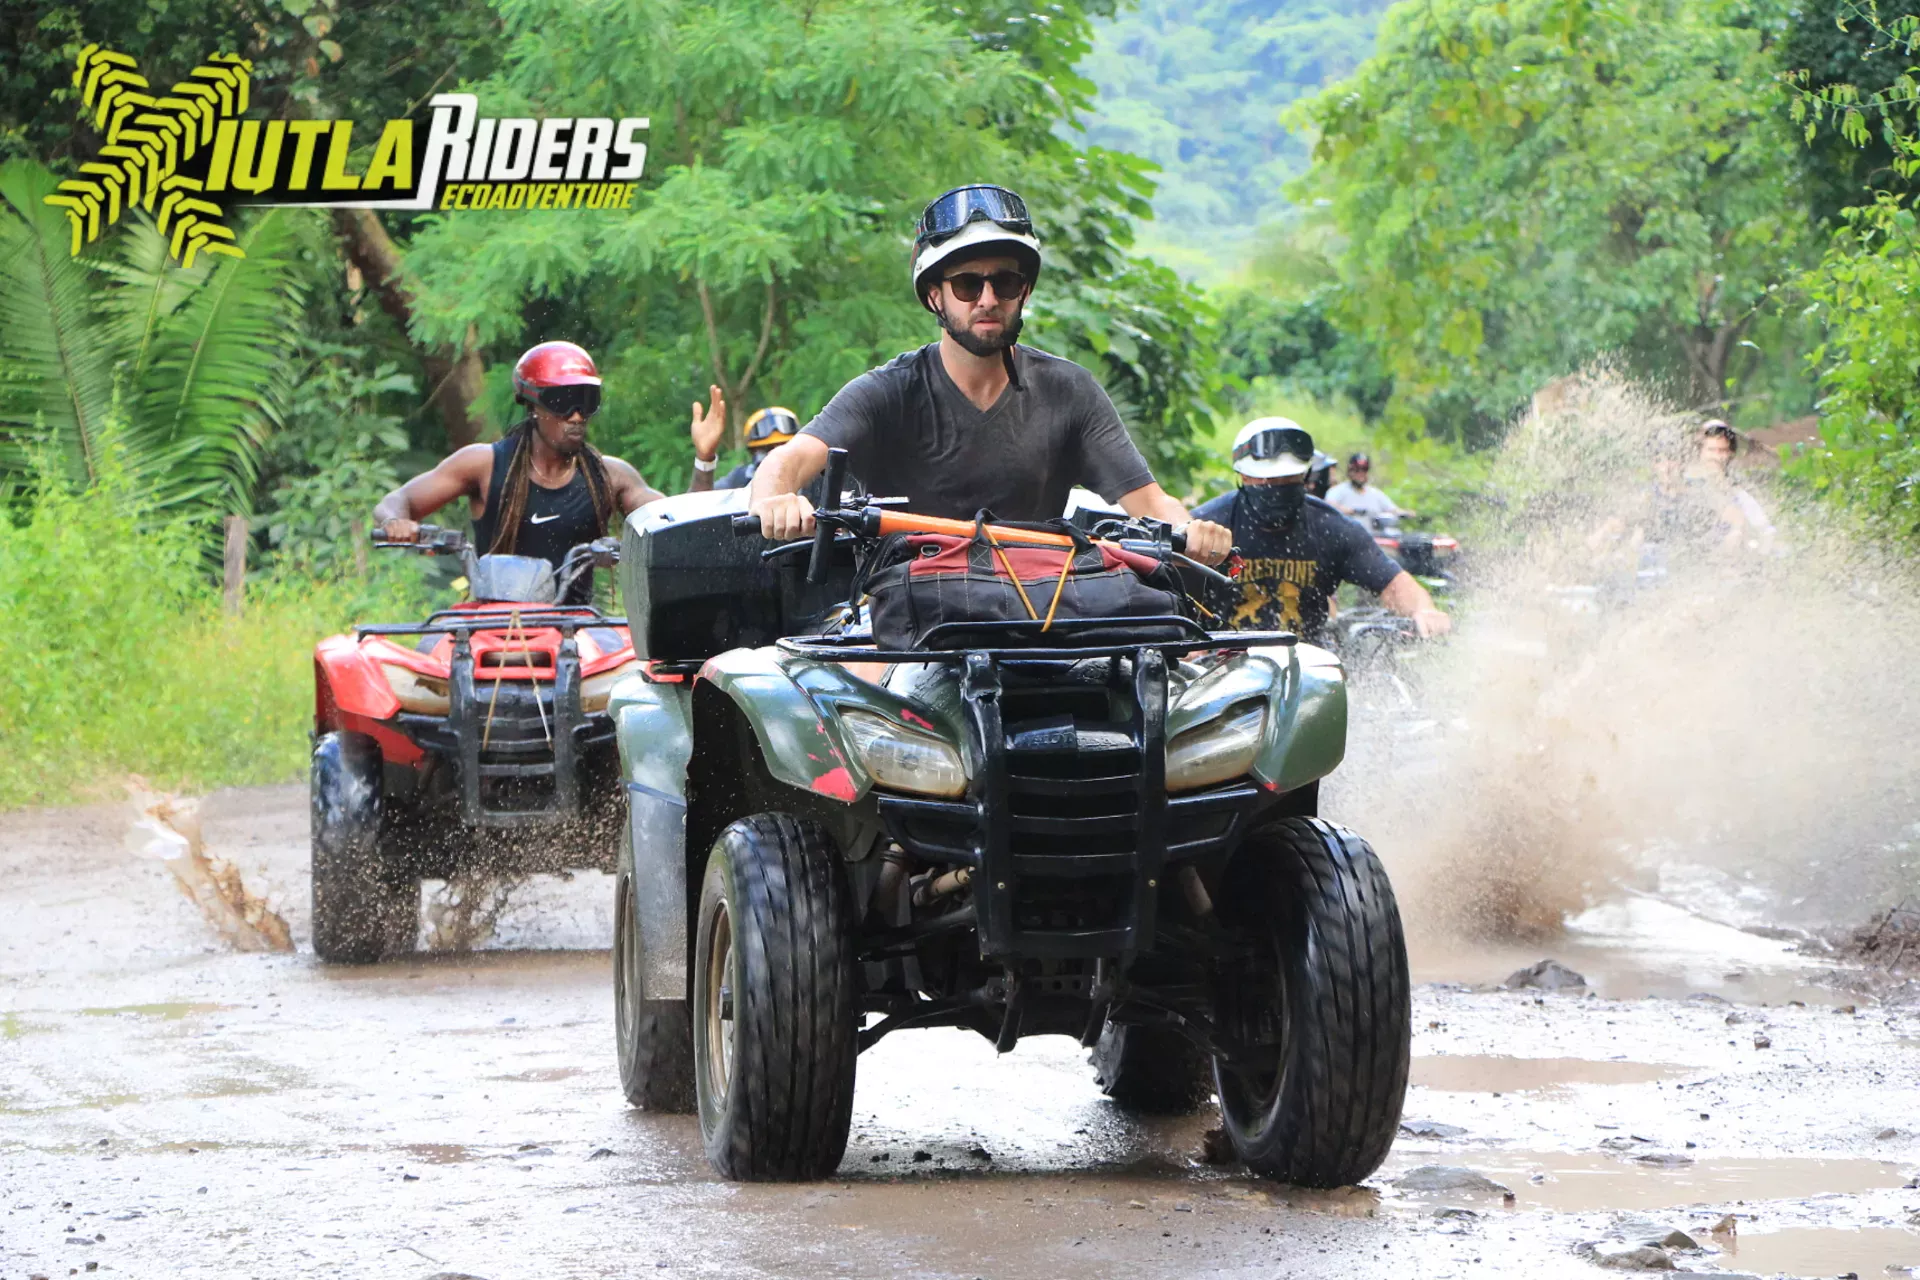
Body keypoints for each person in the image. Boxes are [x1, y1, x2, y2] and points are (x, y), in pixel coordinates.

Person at [746, 184, 1231, 565]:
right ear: (934, 295)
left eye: (1005, 281)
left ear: (1024, 291)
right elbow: (787, 462)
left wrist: (1192, 532)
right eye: (966, 283)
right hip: (909, 620)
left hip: (1044, 610)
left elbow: (1149, 500)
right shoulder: (886, 392)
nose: (987, 298)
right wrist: (775, 502)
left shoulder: (1070, 391)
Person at [372, 341, 689, 602]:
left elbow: (677, 524)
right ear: (534, 405)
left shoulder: (610, 475)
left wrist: (704, 460)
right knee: (426, 666)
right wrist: (395, 522)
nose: (577, 416)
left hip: (577, 632)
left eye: (587, 402)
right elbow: (398, 500)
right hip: (491, 627)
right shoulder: (484, 465)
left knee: (628, 675)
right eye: (564, 401)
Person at [1192, 419, 1451, 641]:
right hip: (1220, 669)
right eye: (1269, 480)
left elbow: (1392, 584)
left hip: (1308, 672)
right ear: (1244, 476)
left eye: (1289, 479)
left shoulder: (1332, 529)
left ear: (1305, 476)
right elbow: (1166, 594)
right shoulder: (1210, 524)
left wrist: (1424, 609)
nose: (1279, 486)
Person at [689, 405, 795, 493]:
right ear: (752, 452)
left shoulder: (810, 479)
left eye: (784, 446)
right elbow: (698, 507)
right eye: (767, 449)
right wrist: (704, 460)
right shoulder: (740, 479)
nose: (775, 455)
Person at [1325, 451, 1406, 524]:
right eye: (1357, 469)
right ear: (1349, 471)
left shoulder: (1375, 494)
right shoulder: (1339, 490)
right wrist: (1352, 511)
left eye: (1364, 469)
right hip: (1347, 536)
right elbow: (1328, 505)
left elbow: (1392, 510)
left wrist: (1406, 513)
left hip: (1372, 537)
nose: (1361, 473)